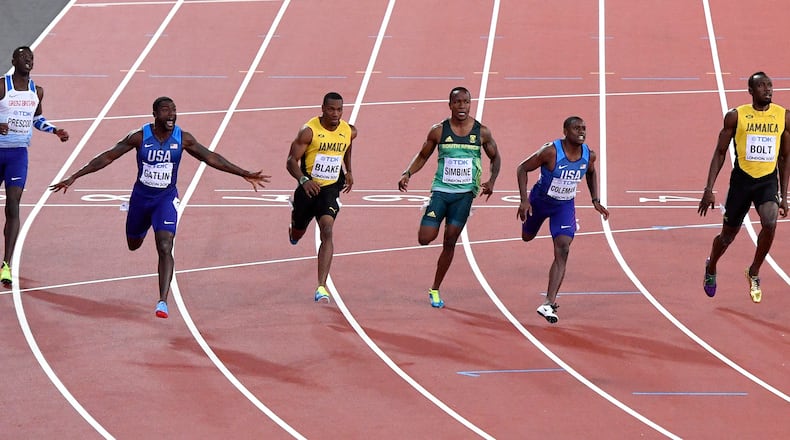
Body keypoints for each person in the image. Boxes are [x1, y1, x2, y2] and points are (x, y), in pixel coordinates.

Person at [49, 96, 270, 318]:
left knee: (165, 245)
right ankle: (142, 225)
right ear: (155, 114)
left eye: (174, 110)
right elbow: (107, 157)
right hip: (140, 199)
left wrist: (243, 173)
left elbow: (211, 157)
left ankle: (162, 301)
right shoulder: (139, 137)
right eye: (166, 111)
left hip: (166, 199)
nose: (172, 115)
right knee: (133, 244)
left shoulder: (183, 139)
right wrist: (74, 176)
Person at [398, 86, 501, 308]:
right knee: (425, 238)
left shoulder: (481, 132)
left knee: (450, 239)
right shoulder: (438, 131)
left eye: (466, 102)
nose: (462, 106)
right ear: (450, 105)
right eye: (457, 102)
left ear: (470, 104)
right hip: (441, 191)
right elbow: (423, 155)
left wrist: (492, 181)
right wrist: (408, 173)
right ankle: (430, 208)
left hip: (464, 195)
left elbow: (495, 157)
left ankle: (434, 288)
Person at [698, 71, 790, 303]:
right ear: (751, 91)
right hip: (741, 181)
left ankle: (754, 271)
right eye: (762, 86)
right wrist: (709, 189)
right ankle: (712, 265)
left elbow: (786, 157)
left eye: (770, 85)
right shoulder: (736, 116)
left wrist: (784, 195)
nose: (768, 89)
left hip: (767, 182)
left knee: (770, 222)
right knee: (727, 237)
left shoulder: (783, 117)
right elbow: (719, 153)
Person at [516, 116, 609, 324]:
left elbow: (590, 173)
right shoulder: (550, 151)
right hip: (539, 202)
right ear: (565, 131)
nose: (582, 131)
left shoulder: (589, 155)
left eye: (584, 128)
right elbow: (522, 168)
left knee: (564, 247)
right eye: (576, 128)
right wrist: (524, 201)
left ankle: (548, 302)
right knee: (527, 236)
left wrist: (595, 199)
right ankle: (531, 223)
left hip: (564, 206)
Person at [0, 46, 69, 287]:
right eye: (23, 56)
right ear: (13, 60)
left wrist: (54, 130)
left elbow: (36, 119)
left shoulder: (36, 91)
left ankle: (6, 264)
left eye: (31, 57)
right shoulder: (2, 86)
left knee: (13, 206)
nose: (28, 59)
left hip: (18, 155)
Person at [286, 92, 355, 303]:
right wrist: (303, 181)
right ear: (323, 109)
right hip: (308, 187)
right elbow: (290, 161)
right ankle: (295, 229)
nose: (335, 114)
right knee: (298, 231)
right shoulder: (308, 132)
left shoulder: (348, 131)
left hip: (330, 188)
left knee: (327, 230)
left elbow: (347, 147)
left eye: (339, 110)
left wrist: (349, 170)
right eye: (331, 109)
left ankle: (321, 286)